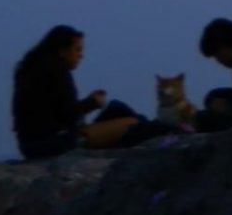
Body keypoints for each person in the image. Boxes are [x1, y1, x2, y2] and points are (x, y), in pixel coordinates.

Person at [11, 25, 144, 158]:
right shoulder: (56, 72)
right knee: (132, 123)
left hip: (31, 145)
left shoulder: (36, 69)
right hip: (52, 144)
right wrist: (92, 103)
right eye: (77, 50)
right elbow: (67, 115)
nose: (81, 55)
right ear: (62, 51)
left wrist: (90, 102)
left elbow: (55, 111)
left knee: (116, 107)